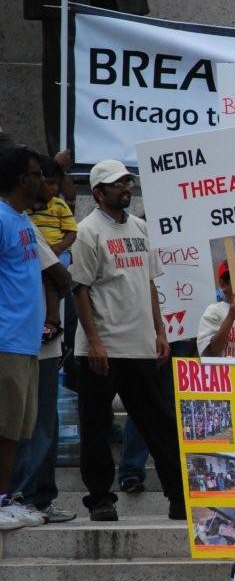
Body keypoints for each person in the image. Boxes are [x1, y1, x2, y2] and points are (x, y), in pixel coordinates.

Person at [69, 159, 186, 522]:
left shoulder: (140, 227)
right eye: (118, 184)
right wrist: (95, 342)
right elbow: (80, 290)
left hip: (140, 345)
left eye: (128, 182)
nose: (126, 188)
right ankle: (101, 498)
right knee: (97, 425)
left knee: (160, 423)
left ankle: (179, 496)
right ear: (99, 192)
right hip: (102, 348)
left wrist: (161, 331)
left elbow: (149, 283)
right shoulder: (87, 232)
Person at [9, 222, 76, 525]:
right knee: (29, 425)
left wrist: (50, 318)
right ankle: (23, 496)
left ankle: (31, 497)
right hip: (18, 343)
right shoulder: (14, 221)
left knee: (38, 426)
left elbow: (59, 277)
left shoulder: (22, 224)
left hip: (35, 345)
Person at [0, 146, 52, 530]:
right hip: (6, 340)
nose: (42, 180)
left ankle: (7, 496)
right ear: (22, 180)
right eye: (36, 174)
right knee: (3, 426)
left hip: (26, 342)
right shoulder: (1, 219)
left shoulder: (21, 219)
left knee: (17, 429)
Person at [27, 156, 76, 342]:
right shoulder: (27, 209)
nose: (55, 189)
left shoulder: (59, 205)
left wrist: (59, 248)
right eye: (49, 183)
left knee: (50, 279)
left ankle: (53, 322)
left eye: (57, 184)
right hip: (41, 256)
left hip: (59, 254)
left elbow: (72, 231)